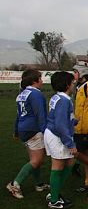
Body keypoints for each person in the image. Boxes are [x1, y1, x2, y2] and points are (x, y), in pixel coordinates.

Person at [7, 70, 49, 199]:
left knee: (34, 160)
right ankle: (15, 184)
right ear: (34, 81)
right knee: (37, 160)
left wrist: (16, 130)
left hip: (23, 128)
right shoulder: (37, 94)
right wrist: (45, 132)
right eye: (40, 78)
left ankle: (39, 184)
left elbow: (18, 114)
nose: (42, 81)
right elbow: (40, 115)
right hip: (33, 129)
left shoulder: (22, 94)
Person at [44, 71, 77, 209]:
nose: (74, 84)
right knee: (57, 166)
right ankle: (54, 201)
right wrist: (70, 143)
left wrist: (73, 121)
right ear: (67, 85)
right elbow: (60, 124)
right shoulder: (64, 100)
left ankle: (54, 192)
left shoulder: (57, 97)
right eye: (72, 82)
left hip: (53, 132)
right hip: (57, 135)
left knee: (70, 161)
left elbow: (60, 118)